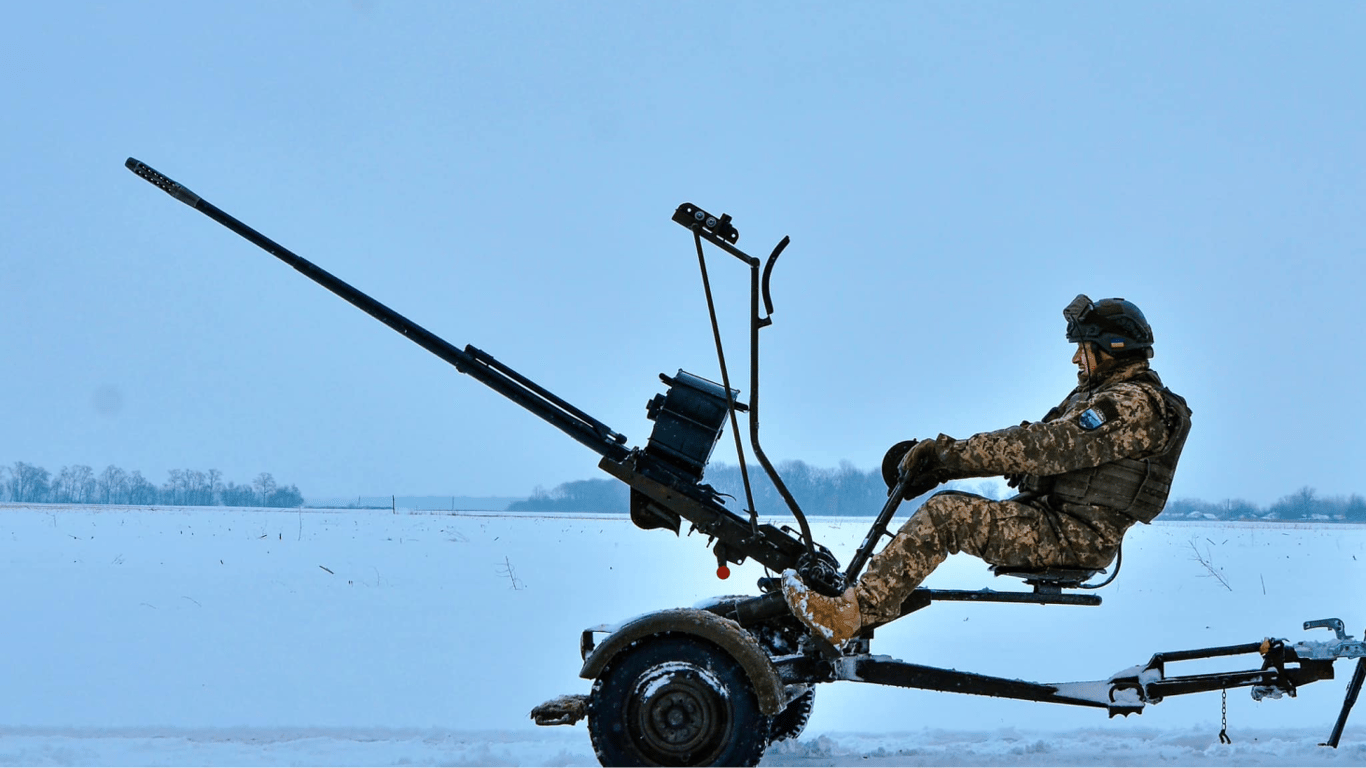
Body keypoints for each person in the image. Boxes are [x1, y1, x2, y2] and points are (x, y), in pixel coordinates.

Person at [782, 294, 1192, 646]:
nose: (1075, 357)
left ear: (1111, 348)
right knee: (948, 511)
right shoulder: (1102, 396)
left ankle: (850, 616)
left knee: (946, 515)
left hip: (1074, 537)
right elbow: (1040, 444)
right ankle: (856, 604)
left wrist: (948, 458)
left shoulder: (1132, 405)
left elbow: (1042, 446)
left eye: (1083, 346)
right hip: (1057, 521)